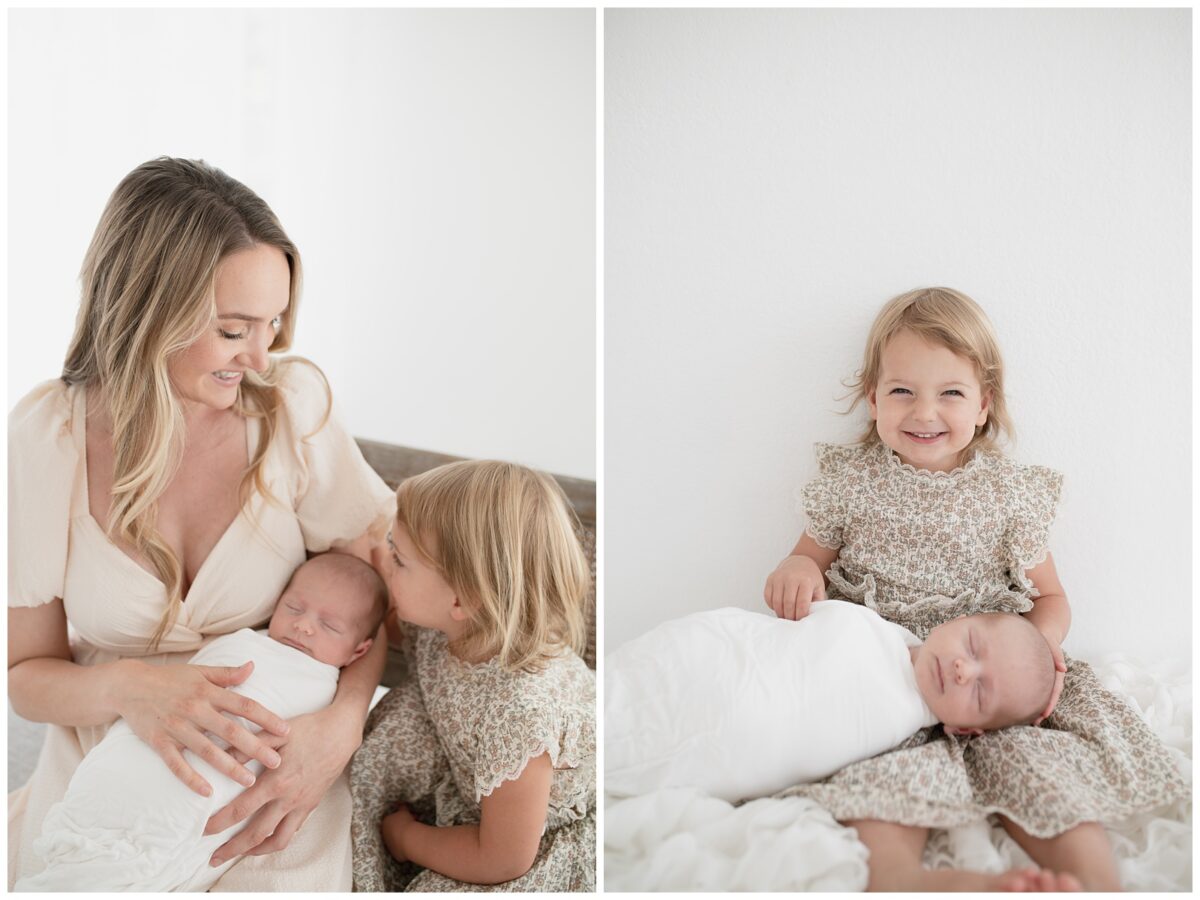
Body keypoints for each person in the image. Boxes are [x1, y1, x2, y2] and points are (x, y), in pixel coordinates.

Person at [8, 157, 396, 891]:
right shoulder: (47, 436)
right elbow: (25, 677)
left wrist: (339, 730)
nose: (260, 356)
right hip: (106, 768)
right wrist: (131, 690)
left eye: (274, 323)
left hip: (269, 777)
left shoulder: (292, 407)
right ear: (148, 309)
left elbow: (377, 593)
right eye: (232, 330)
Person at [761, 287, 1187, 891]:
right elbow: (807, 558)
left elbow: (1051, 598)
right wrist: (798, 571)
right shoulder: (850, 484)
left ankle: (1089, 881)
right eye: (902, 390)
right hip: (895, 675)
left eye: (951, 393)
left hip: (994, 676)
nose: (924, 412)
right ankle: (916, 879)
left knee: (1043, 768)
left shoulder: (1008, 495)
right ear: (872, 399)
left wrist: (1041, 650)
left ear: (984, 405)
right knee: (879, 789)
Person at [19, 553, 389, 892]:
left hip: (253, 781)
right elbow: (22, 676)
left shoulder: (323, 683)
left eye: (329, 625)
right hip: (128, 714)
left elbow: (377, 610)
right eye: (293, 607)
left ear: (359, 651)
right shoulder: (247, 643)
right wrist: (126, 687)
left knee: (156, 857)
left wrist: (346, 718)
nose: (304, 626)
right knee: (93, 829)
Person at [350, 460, 596, 891]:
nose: (386, 565)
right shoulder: (448, 623)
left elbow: (503, 858)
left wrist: (408, 840)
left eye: (400, 560)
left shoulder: (520, 713)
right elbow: (372, 609)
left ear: (463, 599)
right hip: (484, 807)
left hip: (527, 848)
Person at [606, 602, 1056, 803]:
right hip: (711, 660)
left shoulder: (903, 740)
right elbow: (782, 634)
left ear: (965, 730)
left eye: (979, 691)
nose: (963, 669)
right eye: (972, 645)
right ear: (958, 619)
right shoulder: (868, 626)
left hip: (729, 740)